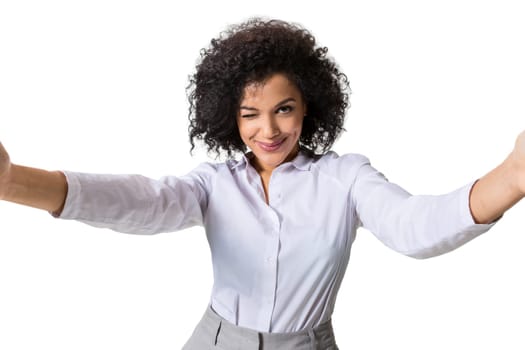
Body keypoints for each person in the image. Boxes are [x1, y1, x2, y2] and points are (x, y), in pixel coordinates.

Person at [0, 17, 524, 350]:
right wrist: (12, 181)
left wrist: (513, 176)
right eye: (251, 114)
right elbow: (141, 201)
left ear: (308, 108)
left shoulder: (345, 179)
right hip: (215, 339)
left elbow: (416, 228)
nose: (268, 130)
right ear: (230, 117)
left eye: (284, 110)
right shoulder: (213, 184)